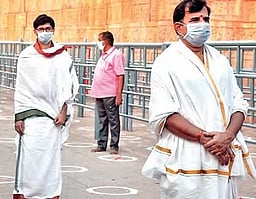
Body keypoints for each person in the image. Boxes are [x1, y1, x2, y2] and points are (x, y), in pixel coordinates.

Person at [141, 0, 256, 198]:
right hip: (188, 154)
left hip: (224, 151)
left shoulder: (219, 60)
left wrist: (227, 136)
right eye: (195, 20)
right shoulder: (166, 62)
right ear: (179, 27)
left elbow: (239, 103)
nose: (202, 24)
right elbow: (164, 114)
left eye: (206, 19)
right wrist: (204, 138)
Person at [13, 14, 79, 199]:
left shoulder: (62, 56)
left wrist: (64, 111)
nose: (45, 32)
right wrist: (19, 116)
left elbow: (70, 85)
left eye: (48, 29)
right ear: (35, 31)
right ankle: (27, 193)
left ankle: (49, 194)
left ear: (53, 30)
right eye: (41, 29)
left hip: (54, 117)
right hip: (31, 116)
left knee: (51, 160)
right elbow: (21, 87)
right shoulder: (26, 56)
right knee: (29, 158)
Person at [89, 31, 125, 155]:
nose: (98, 42)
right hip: (100, 92)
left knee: (113, 119)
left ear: (105, 41)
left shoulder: (116, 55)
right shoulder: (103, 55)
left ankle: (114, 145)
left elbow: (120, 75)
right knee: (102, 119)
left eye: (100, 40)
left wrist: (119, 95)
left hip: (110, 93)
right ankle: (101, 144)